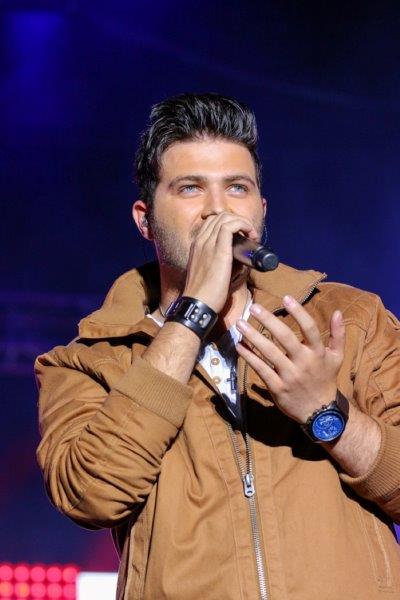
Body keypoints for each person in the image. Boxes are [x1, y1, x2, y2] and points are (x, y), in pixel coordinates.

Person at [35, 93, 400, 600]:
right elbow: (90, 495)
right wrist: (194, 310)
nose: (218, 210)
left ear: (261, 210)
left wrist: (326, 412)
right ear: (144, 219)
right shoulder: (89, 361)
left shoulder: (351, 320)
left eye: (237, 188)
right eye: (190, 188)